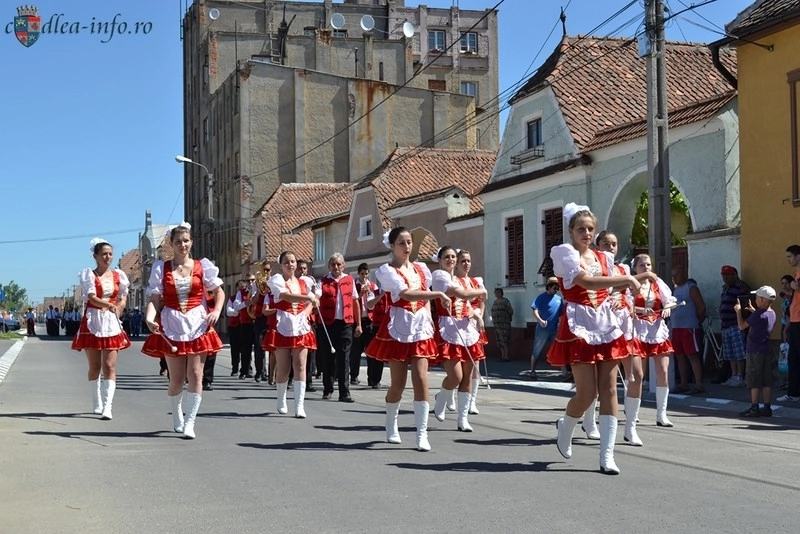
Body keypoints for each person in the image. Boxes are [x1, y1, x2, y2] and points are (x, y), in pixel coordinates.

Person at [549, 203, 643, 475]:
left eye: (591, 229)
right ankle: (566, 425)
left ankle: (607, 455)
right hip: (579, 324)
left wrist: (618, 295)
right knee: (586, 392)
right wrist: (628, 280)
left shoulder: (604, 258)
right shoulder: (564, 253)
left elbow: (612, 289)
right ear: (571, 231)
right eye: (581, 229)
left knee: (610, 389)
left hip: (605, 323)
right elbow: (586, 283)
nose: (587, 233)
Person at [365, 227, 450, 451]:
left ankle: (422, 433)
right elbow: (405, 294)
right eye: (401, 243)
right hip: (399, 326)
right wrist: (438, 294)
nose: (407, 247)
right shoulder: (386, 271)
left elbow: (423, 296)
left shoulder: (421, 269)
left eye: (409, 242)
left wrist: (431, 319)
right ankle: (391, 423)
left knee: (422, 378)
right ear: (392, 246)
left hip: (421, 326)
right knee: (398, 384)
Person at [141, 223, 225, 439]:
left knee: (196, 374)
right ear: (172, 244)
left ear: (191, 242)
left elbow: (219, 292)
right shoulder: (162, 268)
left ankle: (190, 422)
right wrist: (150, 318)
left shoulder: (202, 266)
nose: (182, 245)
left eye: (186, 240)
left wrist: (215, 310)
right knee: (176, 378)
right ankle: (177, 412)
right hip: (172, 323)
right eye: (178, 241)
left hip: (198, 323)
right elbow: (154, 299)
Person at [71, 238, 132, 420]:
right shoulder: (89, 275)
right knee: (95, 366)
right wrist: (107, 303)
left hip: (111, 322)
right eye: (104, 254)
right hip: (94, 320)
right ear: (95, 256)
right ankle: (96, 399)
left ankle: (108, 406)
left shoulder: (118, 275)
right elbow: (91, 297)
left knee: (110, 365)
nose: (108, 257)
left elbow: (123, 295)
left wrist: (119, 307)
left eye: (110, 254)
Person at [430, 246, 487, 432]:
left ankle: (463, 419)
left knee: (467, 379)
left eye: (453, 257)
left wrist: (476, 315)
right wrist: (480, 292)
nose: (451, 260)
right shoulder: (439, 276)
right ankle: (442, 397)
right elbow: (460, 294)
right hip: (448, 328)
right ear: (439, 260)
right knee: (455, 376)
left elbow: (469, 305)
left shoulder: (463, 280)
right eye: (446, 257)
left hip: (466, 328)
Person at [263, 251, 320, 418]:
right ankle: (281, 399)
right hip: (283, 324)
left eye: (293, 261)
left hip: (301, 325)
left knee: (301, 364)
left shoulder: (305, 282)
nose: (290, 265)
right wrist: (307, 298)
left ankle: (299, 405)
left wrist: (307, 311)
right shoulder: (277, 280)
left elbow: (312, 303)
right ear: (281, 265)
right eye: (286, 262)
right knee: (284, 367)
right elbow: (285, 296)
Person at [629, 254, 677, 438]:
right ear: (635, 268)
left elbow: (670, 300)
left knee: (663, 371)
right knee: (638, 375)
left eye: (648, 264)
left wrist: (667, 308)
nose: (646, 268)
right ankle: (634, 413)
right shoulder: (631, 283)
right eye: (642, 265)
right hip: (638, 330)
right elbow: (624, 304)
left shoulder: (658, 283)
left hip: (657, 330)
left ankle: (661, 414)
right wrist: (640, 310)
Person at [316, 253, 361, 402]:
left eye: (339, 264)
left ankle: (344, 392)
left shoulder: (349, 280)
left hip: (345, 323)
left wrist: (358, 324)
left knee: (344, 357)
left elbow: (355, 302)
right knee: (328, 357)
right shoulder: (323, 281)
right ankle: (327, 389)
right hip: (327, 324)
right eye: (333, 264)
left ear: (344, 265)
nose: (336, 267)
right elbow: (316, 297)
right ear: (329, 266)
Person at [736, 286, 778, 416]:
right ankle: (767, 407)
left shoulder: (759, 314)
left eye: (756, 298)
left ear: (761, 299)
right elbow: (761, 317)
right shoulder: (771, 313)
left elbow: (742, 326)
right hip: (766, 350)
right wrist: (753, 310)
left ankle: (754, 407)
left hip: (754, 350)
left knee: (754, 379)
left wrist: (738, 311)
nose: (755, 300)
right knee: (766, 380)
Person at [671, 264, 707, 395]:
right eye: (673, 276)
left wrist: (697, 320)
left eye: (677, 275)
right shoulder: (674, 290)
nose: (674, 278)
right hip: (676, 328)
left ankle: (699, 384)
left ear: (683, 274)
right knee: (679, 356)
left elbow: (701, 307)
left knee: (692, 355)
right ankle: (684, 383)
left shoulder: (691, 288)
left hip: (689, 328)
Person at [720, 265, 751, 387]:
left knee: (739, 352)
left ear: (734, 275)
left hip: (735, 324)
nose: (726, 277)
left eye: (728, 275)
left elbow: (744, 305)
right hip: (726, 325)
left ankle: (740, 376)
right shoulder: (724, 289)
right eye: (724, 275)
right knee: (730, 353)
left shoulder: (740, 288)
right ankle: (733, 375)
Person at [352, 263, 382, 388]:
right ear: (358, 274)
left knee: (370, 351)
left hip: (370, 320)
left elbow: (373, 304)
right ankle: (354, 375)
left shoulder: (373, 286)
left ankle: (372, 379)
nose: (364, 276)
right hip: (358, 320)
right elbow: (353, 302)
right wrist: (360, 294)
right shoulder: (354, 285)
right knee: (356, 351)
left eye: (366, 274)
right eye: (362, 274)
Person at [529, 277, 563, 380]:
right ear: (548, 287)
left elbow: (561, 314)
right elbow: (534, 310)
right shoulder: (541, 297)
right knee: (537, 351)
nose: (555, 290)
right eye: (554, 287)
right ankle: (532, 371)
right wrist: (540, 320)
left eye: (557, 288)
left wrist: (560, 324)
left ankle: (564, 372)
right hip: (542, 330)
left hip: (554, 329)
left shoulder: (559, 299)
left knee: (559, 349)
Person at [779, 245, 800, 402]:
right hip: (794, 321)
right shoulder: (796, 274)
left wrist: (796, 287)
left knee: (796, 358)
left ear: (798, 256)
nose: (788, 259)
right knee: (793, 358)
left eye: (790, 256)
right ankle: (793, 393)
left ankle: (794, 393)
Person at [233, 276, 256, 379]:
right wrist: (246, 303)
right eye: (248, 280)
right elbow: (236, 306)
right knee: (245, 349)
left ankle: (261, 372)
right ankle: (244, 371)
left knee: (260, 349)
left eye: (252, 280)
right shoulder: (241, 293)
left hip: (257, 322)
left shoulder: (260, 291)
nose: (250, 282)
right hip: (245, 323)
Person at [226, 281, 244, 377]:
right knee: (235, 349)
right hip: (233, 326)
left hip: (244, 325)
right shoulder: (232, 299)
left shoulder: (248, 297)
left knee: (245, 348)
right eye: (239, 288)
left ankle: (246, 368)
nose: (241, 290)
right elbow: (228, 312)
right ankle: (235, 368)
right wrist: (236, 312)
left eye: (243, 288)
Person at [490, 288, 513, 361]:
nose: (496, 294)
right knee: (499, 340)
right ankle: (502, 356)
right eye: (495, 293)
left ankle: (506, 356)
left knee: (504, 340)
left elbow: (510, 311)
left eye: (498, 293)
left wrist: (507, 319)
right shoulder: (495, 302)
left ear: (501, 293)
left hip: (504, 324)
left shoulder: (505, 301)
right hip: (497, 325)